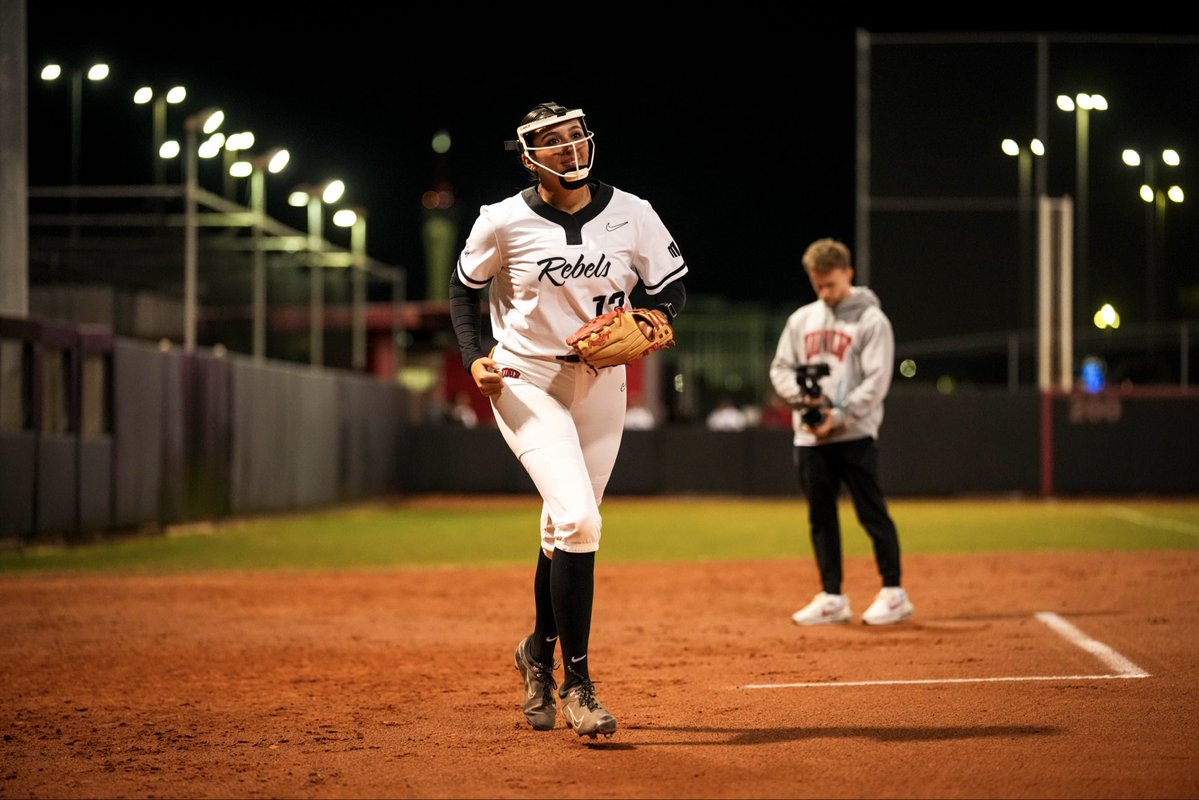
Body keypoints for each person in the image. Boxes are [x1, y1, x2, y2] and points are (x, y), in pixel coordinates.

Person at [448, 102, 688, 738]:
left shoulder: (632, 212)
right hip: (527, 378)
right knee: (581, 518)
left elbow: (668, 290)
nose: (569, 147)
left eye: (575, 134)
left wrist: (659, 319)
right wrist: (475, 358)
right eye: (552, 141)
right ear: (529, 155)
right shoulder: (502, 220)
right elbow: (464, 288)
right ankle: (578, 684)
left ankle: (537, 654)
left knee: (566, 529)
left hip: (604, 382)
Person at [768, 238, 913, 626]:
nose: (824, 292)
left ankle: (894, 592)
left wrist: (841, 413)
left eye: (830, 283)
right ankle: (833, 596)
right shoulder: (802, 320)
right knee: (821, 516)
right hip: (811, 434)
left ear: (848, 273)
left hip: (854, 433)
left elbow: (877, 381)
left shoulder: (871, 320)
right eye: (818, 285)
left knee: (871, 511)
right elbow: (780, 368)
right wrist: (806, 403)